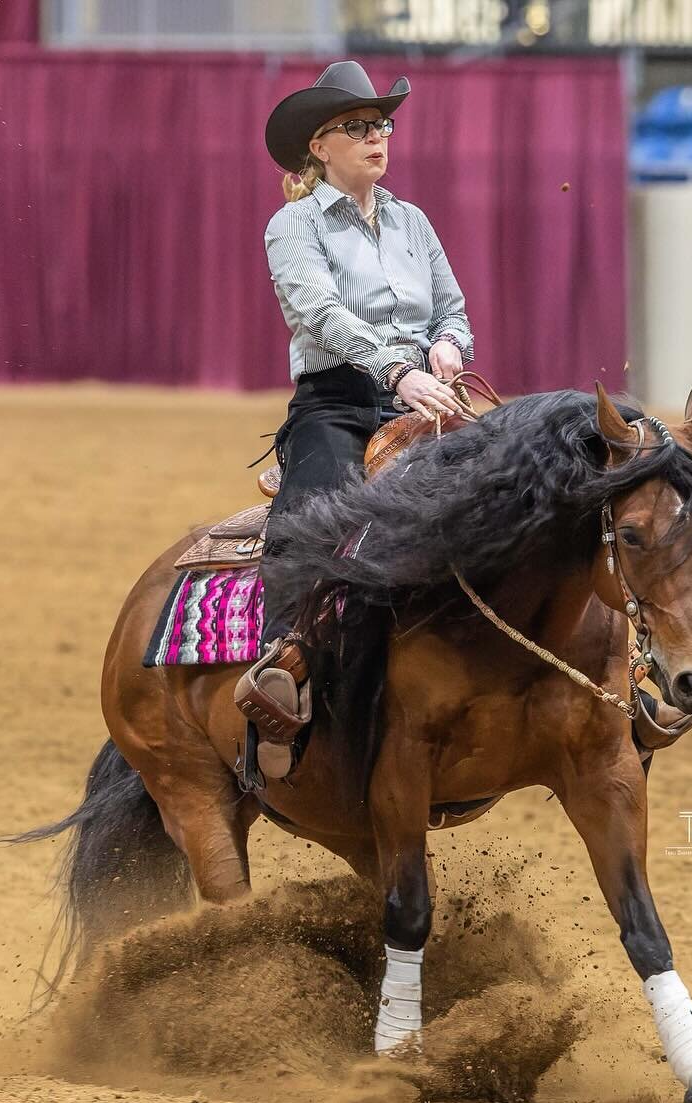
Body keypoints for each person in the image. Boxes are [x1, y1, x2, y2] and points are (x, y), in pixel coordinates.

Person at [234, 61, 475, 779]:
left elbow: (453, 310)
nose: (378, 137)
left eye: (383, 125)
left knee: (515, 496)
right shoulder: (293, 226)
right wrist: (399, 370)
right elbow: (320, 315)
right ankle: (283, 672)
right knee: (313, 516)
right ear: (320, 147)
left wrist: (448, 347)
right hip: (338, 400)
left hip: (424, 395)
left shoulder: (413, 222)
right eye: (358, 127)